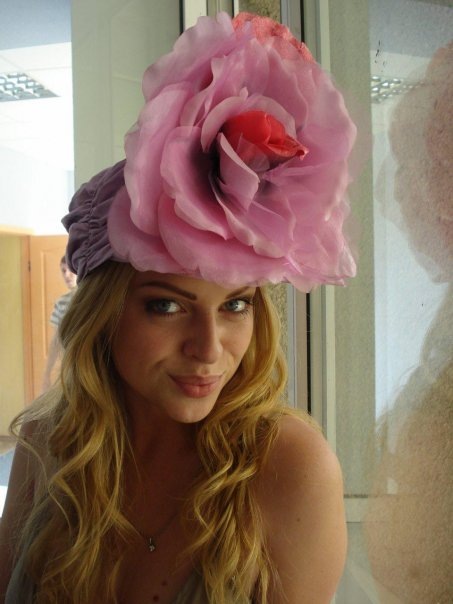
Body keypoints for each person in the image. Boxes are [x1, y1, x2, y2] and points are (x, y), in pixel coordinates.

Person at [0, 12, 356, 604]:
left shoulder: (288, 468)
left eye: (235, 305)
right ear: (104, 314)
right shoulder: (49, 446)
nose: (209, 349)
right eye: (166, 306)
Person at [41, 257, 77, 392]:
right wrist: (47, 372)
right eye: (63, 271)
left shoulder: (95, 298)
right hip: (70, 367)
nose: (67, 275)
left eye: (70, 270)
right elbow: (56, 341)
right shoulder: (61, 303)